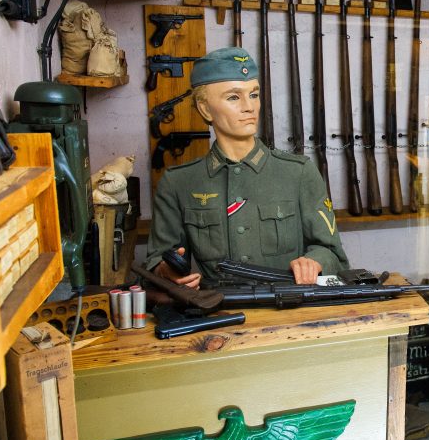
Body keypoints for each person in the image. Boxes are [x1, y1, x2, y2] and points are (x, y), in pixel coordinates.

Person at [145, 46, 349, 288]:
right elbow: (157, 263)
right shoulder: (179, 183)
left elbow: (334, 254)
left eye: (254, 94)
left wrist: (314, 261)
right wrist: (166, 272)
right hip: (217, 314)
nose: (249, 107)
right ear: (205, 108)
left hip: (290, 312)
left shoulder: (298, 173)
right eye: (233, 97)